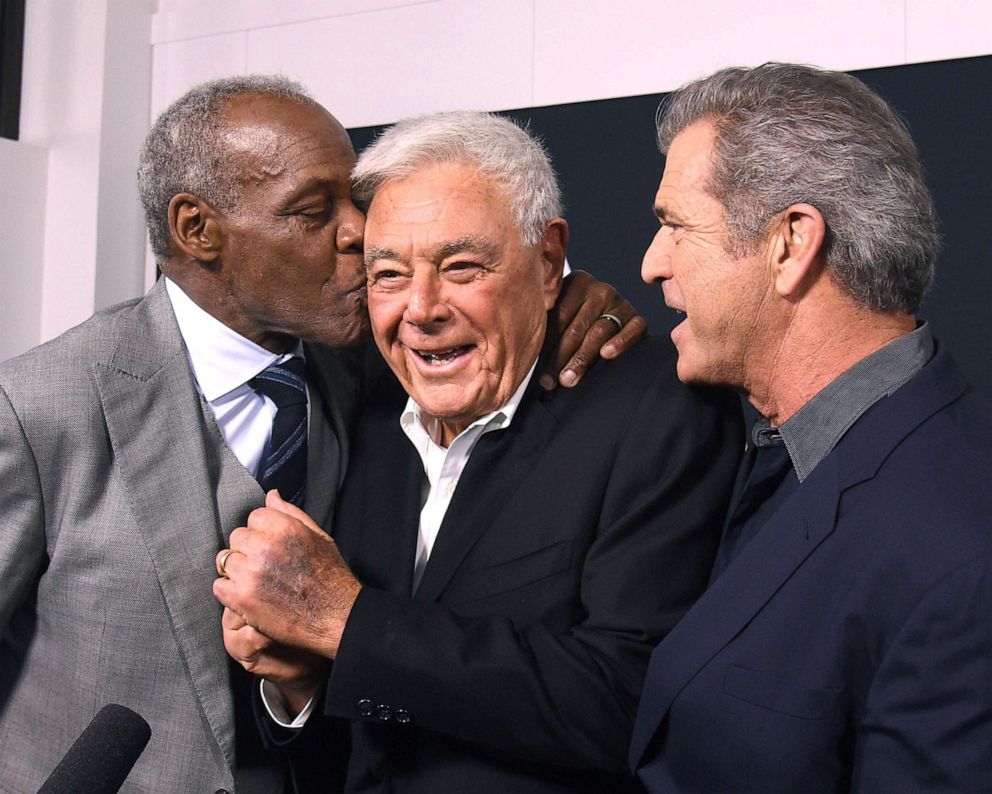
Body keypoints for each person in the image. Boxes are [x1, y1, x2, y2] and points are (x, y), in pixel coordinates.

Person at [0, 76, 643, 793]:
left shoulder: (376, 364)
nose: (359, 233)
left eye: (356, 202)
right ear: (196, 229)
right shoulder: (37, 407)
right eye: (314, 211)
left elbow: (493, 293)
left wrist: (569, 297)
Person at [213, 110, 743, 792]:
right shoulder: (359, 416)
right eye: (390, 275)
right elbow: (358, 738)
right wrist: (300, 684)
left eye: (461, 267)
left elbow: (632, 701)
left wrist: (347, 623)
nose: (421, 308)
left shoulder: (662, 417)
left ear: (549, 264)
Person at [628, 63, 992, 792]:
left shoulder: (958, 561)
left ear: (791, 244)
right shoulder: (782, 444)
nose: (649, 264)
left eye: (674, 226)